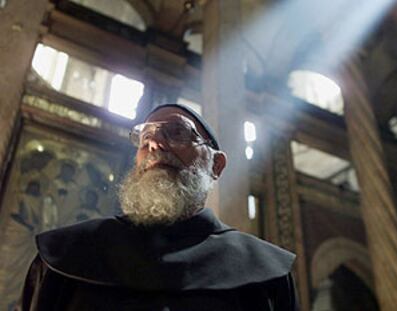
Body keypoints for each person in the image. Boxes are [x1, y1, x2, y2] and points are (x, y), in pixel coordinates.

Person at [17, 104, 298, 311]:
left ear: (216, 165)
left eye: (176, 132)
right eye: (144, 137)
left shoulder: (263, 272)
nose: (154, 143)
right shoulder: (66, 255)